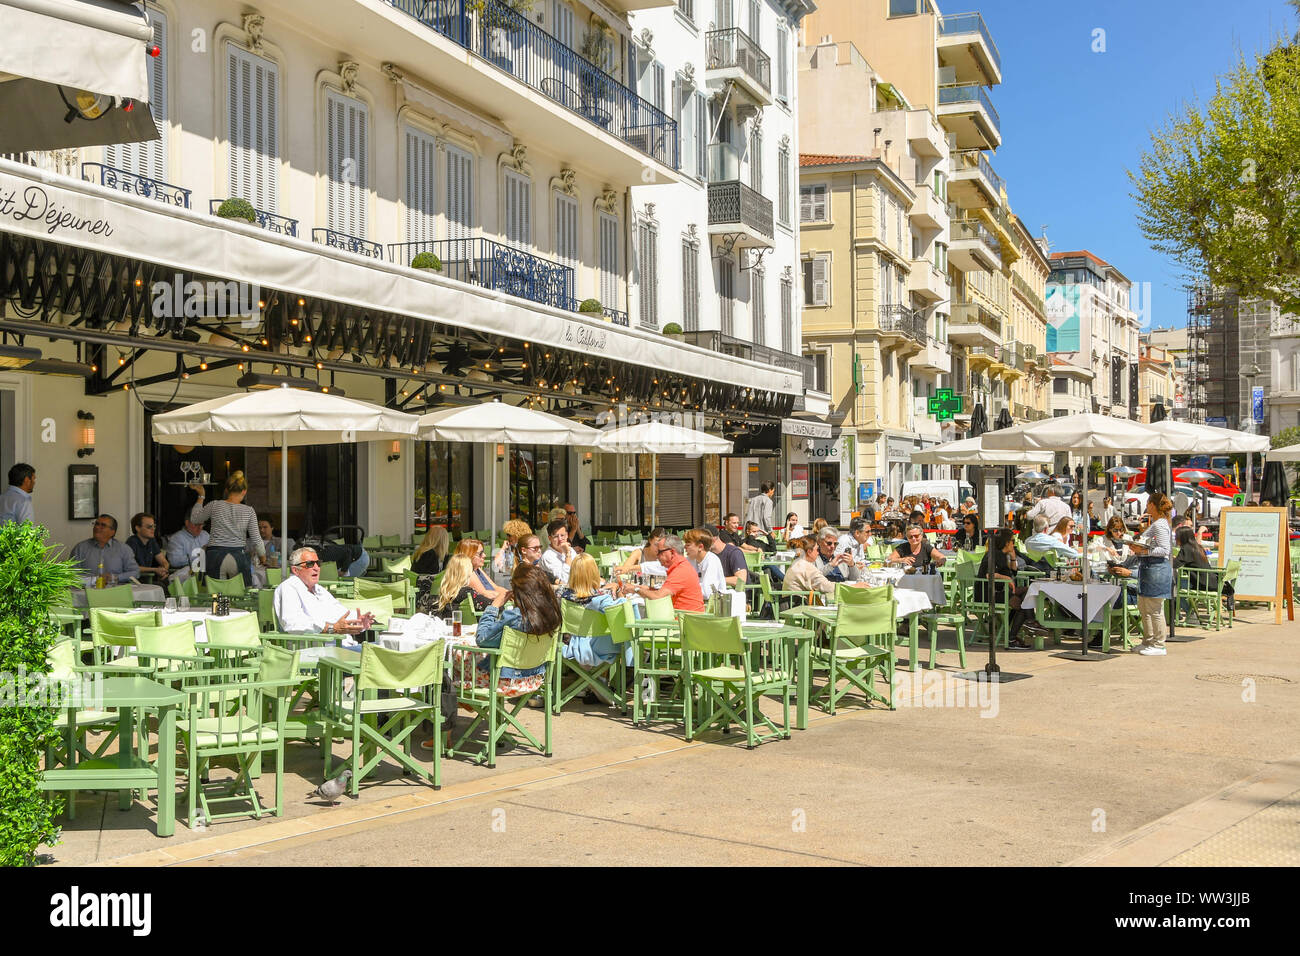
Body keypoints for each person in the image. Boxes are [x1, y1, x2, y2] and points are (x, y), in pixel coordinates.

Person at [455, 563, 561, 699]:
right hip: (535, 679)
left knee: (455, 658)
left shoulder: (515, 616)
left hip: (504, 682)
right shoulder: (553, 613)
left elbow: (482, 639)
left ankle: (448, 709)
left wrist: (494, 607)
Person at [559, 554, 631, 679]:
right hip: (602, 647)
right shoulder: (600, 599)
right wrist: (620, 594)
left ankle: (593, 683)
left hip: (572, 644)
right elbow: (621, 613)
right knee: (628, 637)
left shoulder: (562, 596)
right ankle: (609, 683)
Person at [273, 547, 374, 635]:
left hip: (340, 646)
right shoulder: (288, 588)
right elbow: (292, 623)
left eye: (318, 563)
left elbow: (341, 614)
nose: (316, 568)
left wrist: (358, 621)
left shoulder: (319, 590)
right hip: (314, 651)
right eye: (310, 564)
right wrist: (331, 628)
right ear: (296, 570)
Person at [189, 471, 262, 585]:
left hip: (215, 557)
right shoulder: (249, 511)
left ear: (227, 490)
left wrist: (201, 496)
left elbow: (194, 519)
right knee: (240, 596)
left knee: (217, 597)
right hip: (238, 558)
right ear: (244, 491)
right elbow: (257, 539)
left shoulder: (214, 505)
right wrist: (263, 557)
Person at [1127, 492, 1174, 656]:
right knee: (1145, 607)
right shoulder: (1157, 523)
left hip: (1157, 569)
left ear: (1153, 505)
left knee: (1154, 608)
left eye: (1148, 504)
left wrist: (1144, 549)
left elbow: (1164, 550)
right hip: (1149, 568)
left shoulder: (1160, 524)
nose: (1146, 507)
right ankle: (1148, 640)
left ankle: (1159, 644)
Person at [976, 528, 1035, 648]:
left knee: (1028, 591)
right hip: (987, 593)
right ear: (1006, 542)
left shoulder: (1002, 555)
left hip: (998, 591)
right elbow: (989, 575)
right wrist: (1006, 578)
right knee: (1022, 603)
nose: (1014, 544)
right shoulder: (993, 555)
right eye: (1012, 541)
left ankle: (1029, 623)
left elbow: (1013, 574)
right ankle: (1016, 635)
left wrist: (1013, 558)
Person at [622, 534, 704, 612]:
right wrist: (638, 588)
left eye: (659, 552)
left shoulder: (680, 570)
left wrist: (636, 589)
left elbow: (657, 597)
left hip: (683, 623)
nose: (657, 556)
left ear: (672, 552)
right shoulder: (682, 566)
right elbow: (662, 592)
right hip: (685, 619)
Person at [71, 514, 140, 584]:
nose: (97, 527)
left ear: (112, 532)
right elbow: (71, 573)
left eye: (103, 525)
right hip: (87, 590)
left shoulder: (124, 549)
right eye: (96, 524)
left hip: (115, 590)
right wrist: (93, 580)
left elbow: (135, 572)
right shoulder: (80, 548)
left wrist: (116, 577)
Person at [165, 508, 209, 583]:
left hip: (206, 574)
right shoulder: (176, 539)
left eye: (202, 524)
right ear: (187, 523)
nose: (200, 527)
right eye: (196, 524)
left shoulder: (205, 535)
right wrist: (200, 555)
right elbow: (174, 561)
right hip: (186, 578)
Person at [455, 537, 504, 603]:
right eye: (480, 553)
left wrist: (511, 594)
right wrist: (508, 595)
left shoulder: (477, 569)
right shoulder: (468, 572)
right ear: (469, 555)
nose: (484, 555)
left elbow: (495, 587)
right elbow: (486, 594)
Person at [683, 528, 727, 599]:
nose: (684, 547)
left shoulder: (712, 560)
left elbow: (707, 593)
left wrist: (685, 588)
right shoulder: (689, 559)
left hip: (712, 606)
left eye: (688, 545)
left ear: (700, 547)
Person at [126, 513, 169, 581]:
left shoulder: (152, 541)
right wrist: (155, 570)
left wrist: (164, 570)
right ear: (138, 528)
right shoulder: (132, 542)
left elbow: (164, 562)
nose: (153, 529)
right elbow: (132, 567)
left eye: (154, 526)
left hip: (148, 579)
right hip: (134, 581)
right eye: (149, 527)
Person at [540, 517, 577, 585]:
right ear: (550, 538)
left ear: (567, 536)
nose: (560, 539)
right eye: (556, 536)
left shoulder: (570, 549)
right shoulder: (548, 556)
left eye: (562, 535)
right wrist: (567, 555)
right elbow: (565, 580)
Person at [0, 462, 35, 527]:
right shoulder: (23, 502)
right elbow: (27, 533)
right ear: (27, 480)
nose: (34, 482)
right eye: (33, 479)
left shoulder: (2, 497)